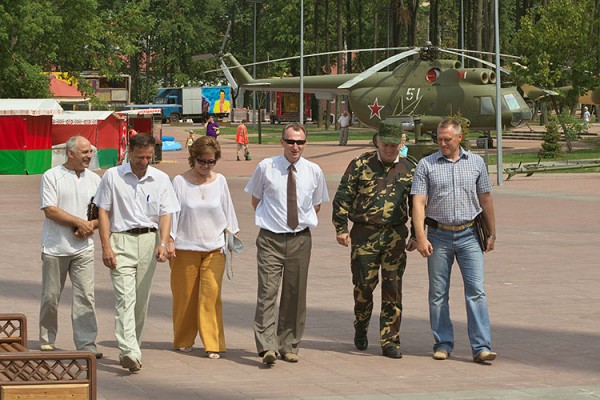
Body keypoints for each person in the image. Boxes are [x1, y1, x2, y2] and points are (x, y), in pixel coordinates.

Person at [410, 118, 497, 363]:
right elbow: (418, 202)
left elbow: (486, 199)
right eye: (439, 139)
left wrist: (492, 232)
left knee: (476, 291)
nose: (442, 143)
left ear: (459, 138)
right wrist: (420, 236)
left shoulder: (476, 163)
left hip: (470, 235)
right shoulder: (426, 165)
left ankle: (481, 347)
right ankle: (443, 343)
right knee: (438, 293)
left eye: (447, 139)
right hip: (438, 236)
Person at [94, 133, 180, 373]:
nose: (144, 161)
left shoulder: (161, 179)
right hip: (121, 240)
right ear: (129, 151)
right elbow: (103, 212)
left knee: (140, 301)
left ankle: (134, 346)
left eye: (149, 157)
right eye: (140, 156)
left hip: (149, 241)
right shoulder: (113, 176)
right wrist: (106, 246)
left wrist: (163, 243)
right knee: (125, 298)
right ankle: (128, 351)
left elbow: (166, 214)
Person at [244, 122, 329, 365]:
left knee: (295, 294)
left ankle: (289, 345)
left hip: (300, 239)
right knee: (268, 293)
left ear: (305, 144)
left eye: (300, 142)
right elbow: (255, 200)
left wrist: (297, 224)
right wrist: (274, 221)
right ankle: (267, 346)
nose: (295, 146)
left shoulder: (314, 171)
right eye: (290, 141)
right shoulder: (266, 167)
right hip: (271, 238)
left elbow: (316, 204)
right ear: (282, 142)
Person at [332, 121, 416, 359]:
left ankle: (390, 340)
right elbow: (343, 197)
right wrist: (341, 227)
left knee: (393, 289)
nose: (390, 149)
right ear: (377, 142)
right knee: (363, 288)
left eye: (394, 145)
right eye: (385, 144)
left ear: (401, 144)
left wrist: (417, 235)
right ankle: (361, 325)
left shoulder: (410, 167)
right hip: (364, 235)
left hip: (395, 236)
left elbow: (419, 203)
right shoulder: (360, 165)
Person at [168, 136, 239, 360]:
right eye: (202, 161)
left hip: (215, 247)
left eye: (211, 162)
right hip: (184, 246)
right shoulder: (179, 182)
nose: (206, 166)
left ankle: (213, 343)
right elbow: (172, 214)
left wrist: (232, 235)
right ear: (193, 158)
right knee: (185, 297)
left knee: (211, 295)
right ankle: (183, 339)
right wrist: (169, 240)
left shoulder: (220, 181)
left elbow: (228, 212)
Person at [38, 136, 102, 359]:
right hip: (55, 247)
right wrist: (79, 223)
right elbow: (50, 210)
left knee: (86, 295)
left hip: (83, 248)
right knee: (51, 296)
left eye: (90, 152)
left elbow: (103, 213)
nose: (88, 156)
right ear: (70, 153)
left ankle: (86, 344)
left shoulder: (95, 179)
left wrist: (90, 225)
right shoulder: (52, 176)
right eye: (84, 152)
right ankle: (47, 340)